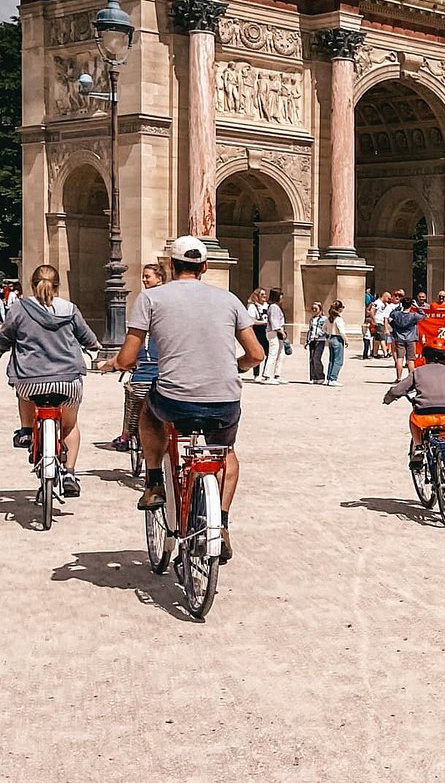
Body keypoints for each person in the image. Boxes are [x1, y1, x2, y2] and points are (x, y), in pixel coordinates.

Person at [121, 237, 263, 560]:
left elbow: (129, 357)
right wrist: (234, 366)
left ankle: (154, 480)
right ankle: (222, 523)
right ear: (205, 267)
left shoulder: (151, 298)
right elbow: (255, 354)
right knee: (225, 453)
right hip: (225, 400)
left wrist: (121, 363)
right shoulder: (229, 300)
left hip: (174, 399)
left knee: (149, 410)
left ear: (171, 266)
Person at [3, 263, 101, 496]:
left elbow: (4, 337)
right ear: (58, 286)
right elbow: (89, 338)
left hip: (30, 381)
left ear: (31, 284)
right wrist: (94, 347)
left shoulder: (19, 308)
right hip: (67, 381)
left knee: (23, 389)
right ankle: (69, 472)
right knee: (69, 426)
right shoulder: (69, 309)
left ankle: (27, 430)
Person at [384, 337, 445, 480]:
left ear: (425, 357)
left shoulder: (418, 372)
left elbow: (398, 390)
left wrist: (388, 398)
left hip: (423, 415)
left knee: (413, 418)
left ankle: (418, 447)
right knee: (442, 436)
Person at [110, 262, 167, 449]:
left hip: (148, 357)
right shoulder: (169, 297)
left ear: (160, 278)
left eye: (147, 276)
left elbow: (137, 334)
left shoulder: (147, 298)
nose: (144, 279)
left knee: (131, 393)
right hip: (167, 363)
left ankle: (126, 434)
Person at [389, 295, 426, 381]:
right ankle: (411, 378)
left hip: (399, 337)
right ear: (410, 305)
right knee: (411, 359)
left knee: (399, 358)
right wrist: (417, 307)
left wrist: (398, 307)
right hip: (411, 338)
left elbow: (391, 314)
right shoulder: (413, 316)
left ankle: (398, 377)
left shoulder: (397, 314)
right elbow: (423, 315)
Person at [262, 288, 286, 382]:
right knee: (273, 352)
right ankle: (267, 374)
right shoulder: (274, 307)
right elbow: (274, 322)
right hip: (274, 332)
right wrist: (281, 331)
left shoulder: (276, 306)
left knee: (281, 353)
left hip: (277, 332)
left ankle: (277, 374)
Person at [246, 289, 268, 380]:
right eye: (262, 294)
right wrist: (263, 322)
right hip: (258, 331)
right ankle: (256, 374)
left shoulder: (267, 306)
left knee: (269, 352)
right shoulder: (252, 306)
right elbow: (252, 320)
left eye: (265, 294)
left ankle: (266, 372)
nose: (264, 296)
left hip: (267, 331)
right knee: (257, 352)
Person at [325, 301, 347, 385]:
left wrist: (328, 334)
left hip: (331, 337)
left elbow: (324, 328)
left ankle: (329, 378)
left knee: (332, 359)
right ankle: (333, 378)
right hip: (338, 338)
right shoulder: (338, 319)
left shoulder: (329, 318)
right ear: (340, 309)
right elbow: (341, 331)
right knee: (338, 360)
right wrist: (346, 340)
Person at [306, 301, 328, 384]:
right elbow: (310, 330)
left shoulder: (324, 319)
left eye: (316, 308)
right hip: (312, 340)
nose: (314, 310)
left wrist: (320, 334)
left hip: (320, 340)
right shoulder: (312, 319)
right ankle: (313, 377)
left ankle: (320, 376)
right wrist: (307, 340)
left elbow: (325, 329)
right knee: (311, 358)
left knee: (316, 358)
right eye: (312, 309)